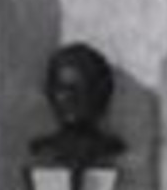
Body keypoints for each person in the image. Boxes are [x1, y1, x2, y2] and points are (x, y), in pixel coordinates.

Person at [29, 41, 127, 169]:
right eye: (61, 89)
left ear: (98, 94)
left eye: (78, 89)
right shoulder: (43, 148)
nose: (68, 98)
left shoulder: (112, 148)